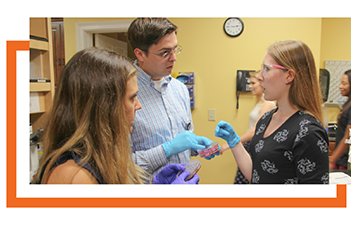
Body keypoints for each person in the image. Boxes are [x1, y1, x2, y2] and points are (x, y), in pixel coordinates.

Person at [32, 48, 200, 184]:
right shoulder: (74, 176)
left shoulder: (103, 157)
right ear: (105, 106)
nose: (139, 106)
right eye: (132, 98)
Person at [215, 40, 329, 184]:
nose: (259, 77)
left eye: (267, 69)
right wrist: (234, 142)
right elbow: (255, 175)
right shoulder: (266, 119)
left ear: (289, 76)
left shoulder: (308, 132)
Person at [127, 18, 218, 180]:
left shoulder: (180, 89)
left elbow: (183, 140)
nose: (174, 58)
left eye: (175, 49)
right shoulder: (123, 94)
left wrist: (196, 146)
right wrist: (167, 149)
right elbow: (121, 165)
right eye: (165, 52)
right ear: (140, 54)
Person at [220, 71, 276, 184]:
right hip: (250, 147)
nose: (250, 86)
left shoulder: (268, 105)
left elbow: (256, 131)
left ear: (262, 83)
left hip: (254, 147)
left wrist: (230, 143)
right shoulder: (260, 103)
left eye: (253, 83)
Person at [329, 69, 351, 170]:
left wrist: (333, 159)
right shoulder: (348, 105)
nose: (340, 87)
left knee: (341, 186)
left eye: (344, 84)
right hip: (339, 159)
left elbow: (348, 136)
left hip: (343, 161)